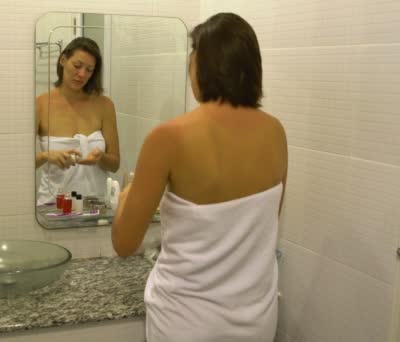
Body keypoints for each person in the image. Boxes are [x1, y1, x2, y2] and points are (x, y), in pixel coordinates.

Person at [112, 13, 287, 342]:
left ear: (202, 64)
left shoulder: (169, 137)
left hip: (186, 320)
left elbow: (124, 244)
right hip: (256, 320)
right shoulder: (275, 132)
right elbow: (261, 225)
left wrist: (124, 199)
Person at [35, 37, 120, 205]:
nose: (82, 74)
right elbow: (21, 165)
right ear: (63, 60)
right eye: (77, 66)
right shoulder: (40, 104)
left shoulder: (104, 105)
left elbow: (115, 165)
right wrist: (46, 156)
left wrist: (100, 157)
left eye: (89, 70)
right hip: (53, 205)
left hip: (96, 205)